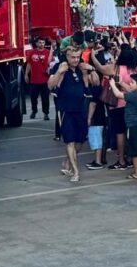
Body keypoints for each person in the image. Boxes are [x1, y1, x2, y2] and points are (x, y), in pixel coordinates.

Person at [48, 47, 98, 183]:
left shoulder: (82, 68)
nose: (75, 60)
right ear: (67, 57)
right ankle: (75, 172)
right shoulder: (60, 67)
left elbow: (96, 82)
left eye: (77, 57)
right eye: (72, 57)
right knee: (69, 141)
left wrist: (91, 70)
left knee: (80, 141)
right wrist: (59, 72)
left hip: (81, 109)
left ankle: (67, 161)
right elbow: (50, 85)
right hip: (65, 110)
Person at [25, 38, 52, 120]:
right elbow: (29, 64)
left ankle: (46, 113)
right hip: (34, 80)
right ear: (36, 43)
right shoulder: (32, 52)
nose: (41, 44)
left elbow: (52, 64)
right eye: (39, 42)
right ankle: (34, 111)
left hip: (45, 80)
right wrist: (26, 74)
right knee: (33, 98)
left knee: (45, 98)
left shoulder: (48, 53)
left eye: (43, 42)